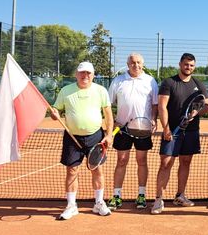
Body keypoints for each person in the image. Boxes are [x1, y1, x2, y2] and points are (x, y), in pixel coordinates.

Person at [50, 61, 114, 220]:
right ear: (76, 74)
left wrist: (109, 134)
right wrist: (54, 113)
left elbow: (108, 114)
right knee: (72, 171)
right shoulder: (66, 91)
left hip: (96, 136)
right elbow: (56, 109)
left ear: (93, 75)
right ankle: (71, 206)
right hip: (72, 137)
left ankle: (99, 203)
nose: (85, 76)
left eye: (88, 73)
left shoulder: (101, 91)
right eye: (82, 73)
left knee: (97, 170)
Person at [151, 53, 208, 214]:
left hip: (191, 131)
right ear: (180, 64)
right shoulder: (169, 82)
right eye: (186, 64)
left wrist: (195, 113)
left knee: (186, 162)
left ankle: (180, 195)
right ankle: (158, 199)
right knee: (165, 163)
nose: (188, 67)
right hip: (172, 131)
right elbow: (162, 107)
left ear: (194, 66)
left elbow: (207, 106)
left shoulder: (198, 83)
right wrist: (167, 128)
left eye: (191, 65)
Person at [107, 53, 158, 211]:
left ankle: (141, 195)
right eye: (132, 62)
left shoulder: (150, 81)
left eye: (138, 62)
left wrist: (154, 119)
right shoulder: (118, 80)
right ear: (127, 64)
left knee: (142, 161)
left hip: (143, 128)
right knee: (121, 160)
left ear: (143, 64)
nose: (136, 65)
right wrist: (112, 121)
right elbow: (108, 103)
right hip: (122, 128)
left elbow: (155, 104)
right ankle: (116, 196)